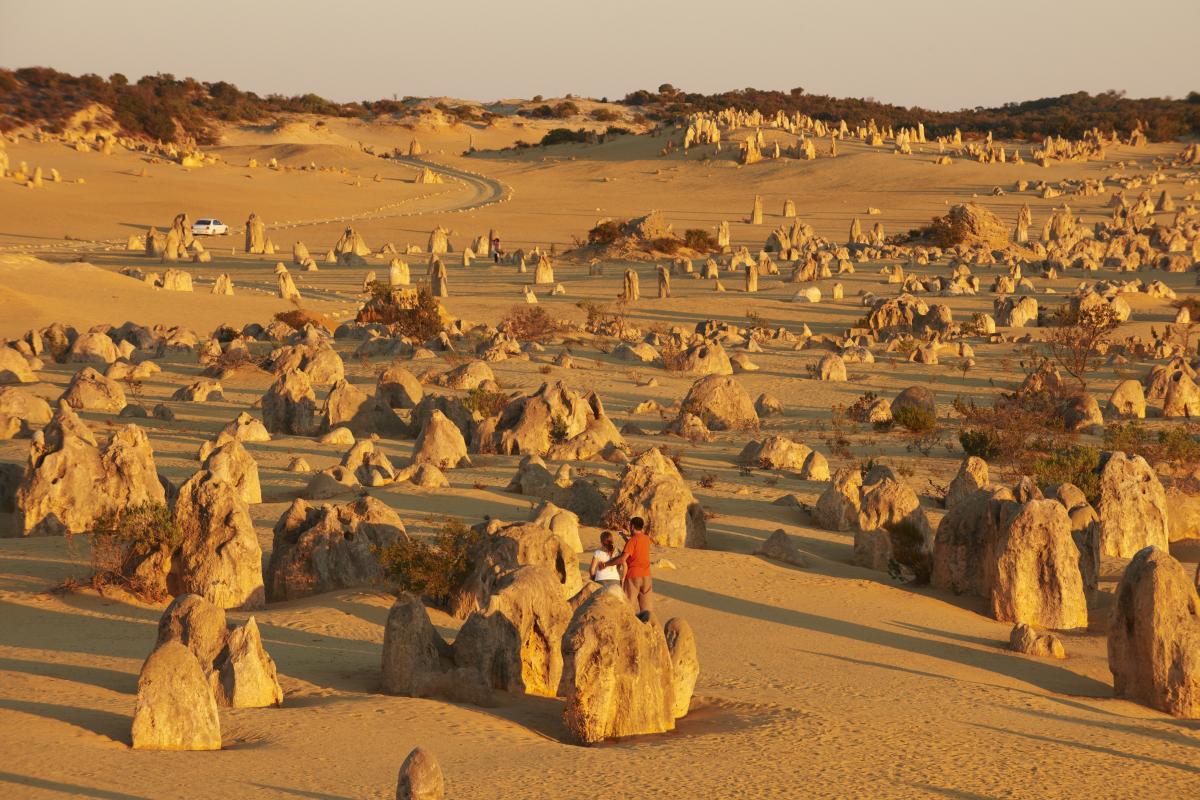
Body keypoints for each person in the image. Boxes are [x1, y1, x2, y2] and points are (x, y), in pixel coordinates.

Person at [604, 516, 653, 617]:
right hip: (647, 576)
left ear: (632, 526)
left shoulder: (632, 541)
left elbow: (622, 559)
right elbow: (636, 547)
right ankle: (648, 628)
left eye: (630, 526)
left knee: (628, 606)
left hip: (634, 576)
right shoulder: (646, 539)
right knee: (647, 610)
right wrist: (625, 538)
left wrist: (607, 563)